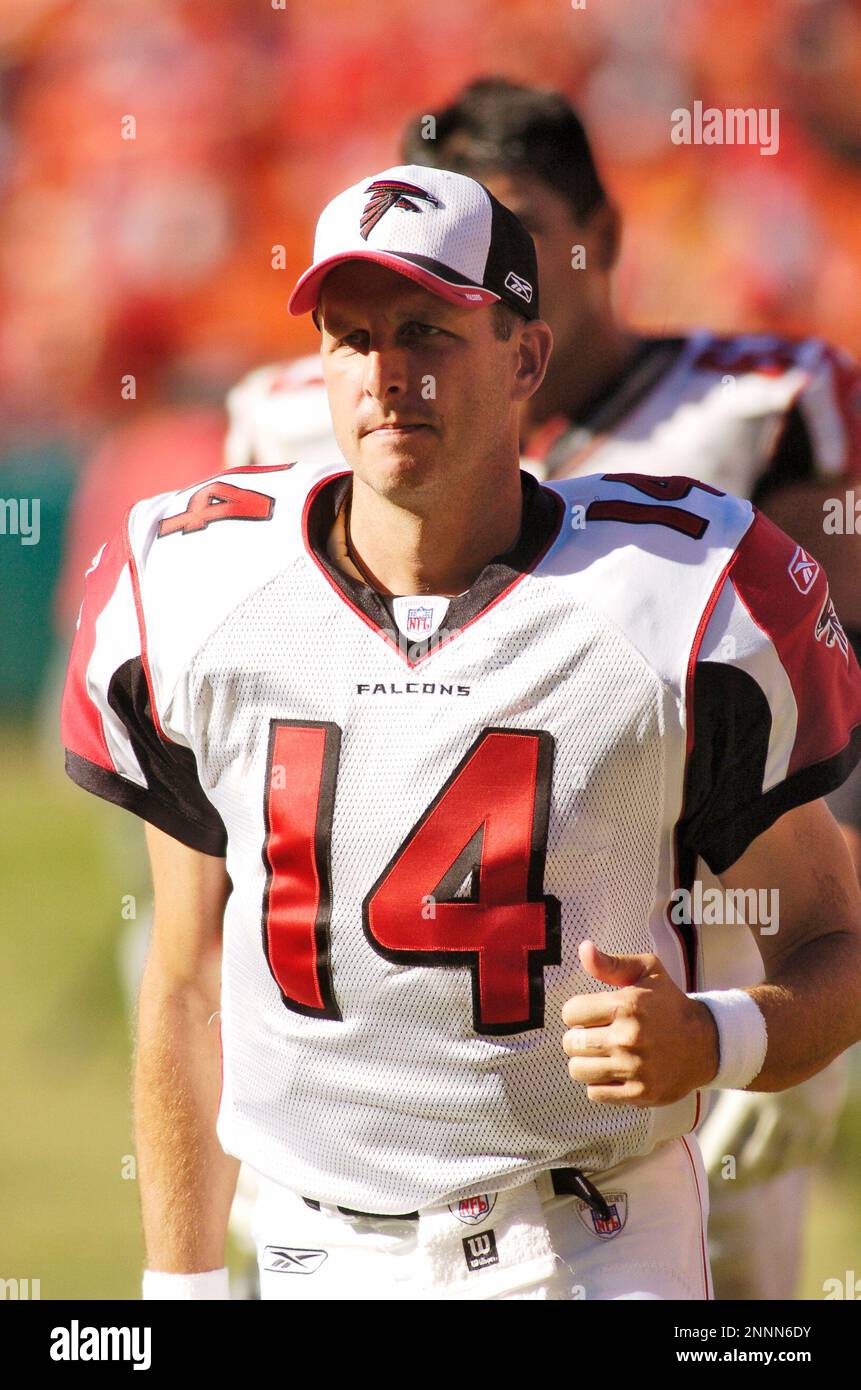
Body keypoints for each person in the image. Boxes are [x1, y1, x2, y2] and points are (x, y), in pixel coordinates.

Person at [61, 163, 861, 1302]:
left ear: (526, 357)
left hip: (587, 1240)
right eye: (352, 337)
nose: (388, 376)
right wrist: (178, 1291)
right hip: (305, 1250)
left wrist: (716, 1038)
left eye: (428, 332)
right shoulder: (200, 586)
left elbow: (838, 942)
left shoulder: (679, 591)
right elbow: (186, 986)